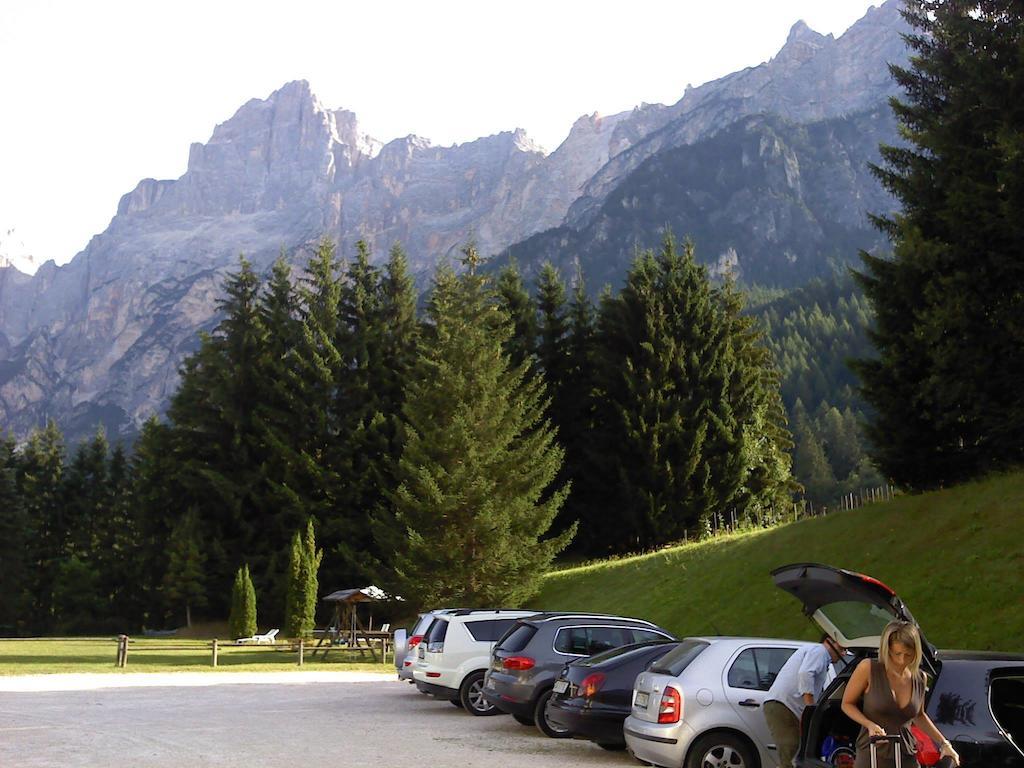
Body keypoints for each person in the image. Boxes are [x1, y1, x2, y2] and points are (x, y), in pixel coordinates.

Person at [841, 620, 959, 767]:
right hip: (872, 754)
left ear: (916, 652)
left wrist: (944, 743)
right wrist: (869, 724)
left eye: (908, 654)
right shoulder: (868, 668)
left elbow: (919, 715)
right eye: (897, 654)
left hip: (906, 754)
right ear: (887, 649)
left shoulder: (920, 678)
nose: (902, 660)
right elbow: (847, 704)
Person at [765, 634, 848, 767]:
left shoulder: (820, 656)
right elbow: (806, 673)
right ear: (829, 642)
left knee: (797, 752)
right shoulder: (820, 651)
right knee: (791, 751)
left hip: (786, 706)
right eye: (842, 649)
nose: (843, 654)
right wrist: (810, 706)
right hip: (783, 706)